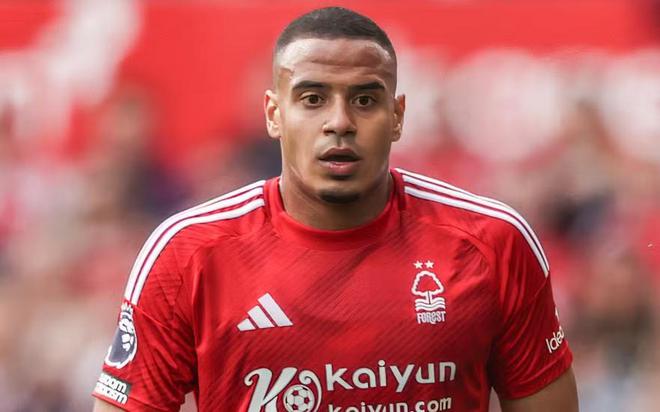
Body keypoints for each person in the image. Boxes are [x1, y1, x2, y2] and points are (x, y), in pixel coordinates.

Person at [93, 7, 578, 412]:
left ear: (397, 117)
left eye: (365, 100)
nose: (340, 122)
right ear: (274, 114)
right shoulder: (187, 254)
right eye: (313, 99)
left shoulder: (492, 243)